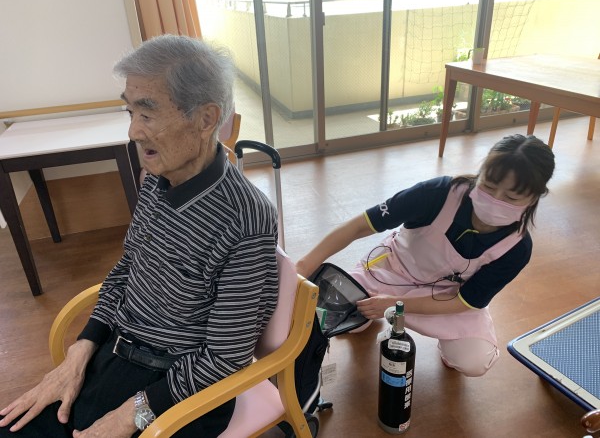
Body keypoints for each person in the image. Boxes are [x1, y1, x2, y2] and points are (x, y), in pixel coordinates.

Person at [0, 35, 279, 437]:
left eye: (147, 113)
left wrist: (130, 415)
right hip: (116, 353)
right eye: (130, 111)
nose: (133, 131)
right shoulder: (155, 181)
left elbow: (223, 358)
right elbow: (128, 267)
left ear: (206, 119)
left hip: (179, 390)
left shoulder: (246, 219)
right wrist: (82, 347)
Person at [297, 134, 555, 377]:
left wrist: (395, 305)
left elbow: (465, 302)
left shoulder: (517, 248)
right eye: (488, 185)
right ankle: (367, 318)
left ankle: (447, 346)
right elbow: (359, 226)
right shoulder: (438, 194)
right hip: (392, 268)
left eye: (511, 197)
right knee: (335, 314)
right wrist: (303, 266)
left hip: (447, 297)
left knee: (474, 361)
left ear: (536, 197)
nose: (494, 199)